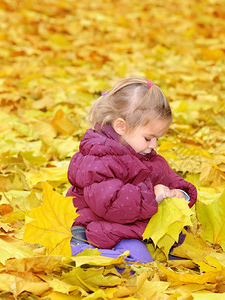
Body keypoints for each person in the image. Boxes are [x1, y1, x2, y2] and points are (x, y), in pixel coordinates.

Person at [66, 76, 197, 264]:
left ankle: (114, 258)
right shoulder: (100, 157)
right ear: (121, 126)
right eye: (149, 138)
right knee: (139, 261)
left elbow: (168, 177)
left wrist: (181, 193)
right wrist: (153, 195)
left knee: (164, 252)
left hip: (125, 227)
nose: (155, 145)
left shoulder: (144, 153)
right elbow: (111, 204)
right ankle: (82, 253)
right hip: (94, 226)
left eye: (158, 138)